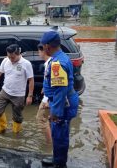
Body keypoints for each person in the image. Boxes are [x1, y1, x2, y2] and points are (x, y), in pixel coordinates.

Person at [40, 31, 79, 168]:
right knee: (58, 133)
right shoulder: (61, 56)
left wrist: (55, 112)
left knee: (60, 135)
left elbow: (60, 91)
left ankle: (60, 164)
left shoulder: (57, 63)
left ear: (47, 46)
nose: (43, 49)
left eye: (43, 46)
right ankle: (58, 158)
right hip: (63, 101)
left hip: (63, 103)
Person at [0, 44, 34, 134]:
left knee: (17, 117)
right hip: (5, 91)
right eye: (9, 57)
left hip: (19, 95)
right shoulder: (6, 60)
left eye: (12, 57)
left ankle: (16, 131)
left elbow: (31, 80)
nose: (10, 59)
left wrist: (30, 96)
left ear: (18, 54)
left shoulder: (26, 64)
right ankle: (2, 127)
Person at [36, 44, 52, 144]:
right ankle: (51, 139)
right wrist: (44, 87)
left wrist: (50, 100)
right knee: (49, 119)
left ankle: (49, 143)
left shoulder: (51, 64)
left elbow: (56, 85)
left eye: (39, 51)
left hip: (49, 98)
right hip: (48, 95)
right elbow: (49, 80)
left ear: (43, 51)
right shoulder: (48, 63)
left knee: (40, 119)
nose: (38, 54)